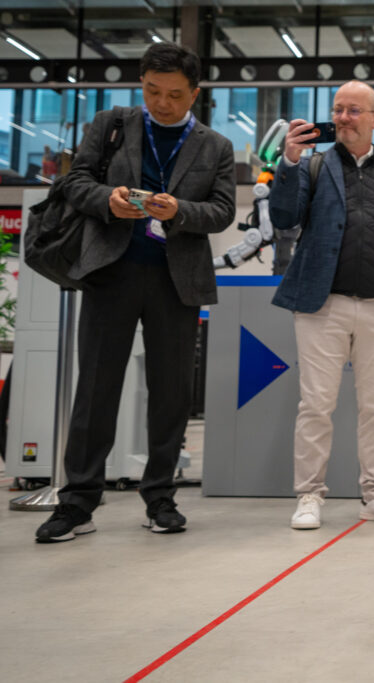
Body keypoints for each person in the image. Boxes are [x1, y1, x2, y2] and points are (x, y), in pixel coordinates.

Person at [35, 43, 236, 542]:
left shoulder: (215, 145)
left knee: (171, 394)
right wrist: (109, 199)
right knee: (95, 390)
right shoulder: (111, 125)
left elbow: (222, 211)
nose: (162, 103)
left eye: (174, 94)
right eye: (152, 91)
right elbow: (75, 183)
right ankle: (77, 502)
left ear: (194, 94)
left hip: (176, 281)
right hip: (111, 272)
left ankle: (160, 497)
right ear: (141, 84)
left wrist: (180, 211)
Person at [269, 80, 374, 530]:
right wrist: (288, 162)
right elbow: (283, 218)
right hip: (322, 307)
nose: (343, 117)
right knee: (316, 404)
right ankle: (309, 495)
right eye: (338, 109)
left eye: (354, 110)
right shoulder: (313, 166)